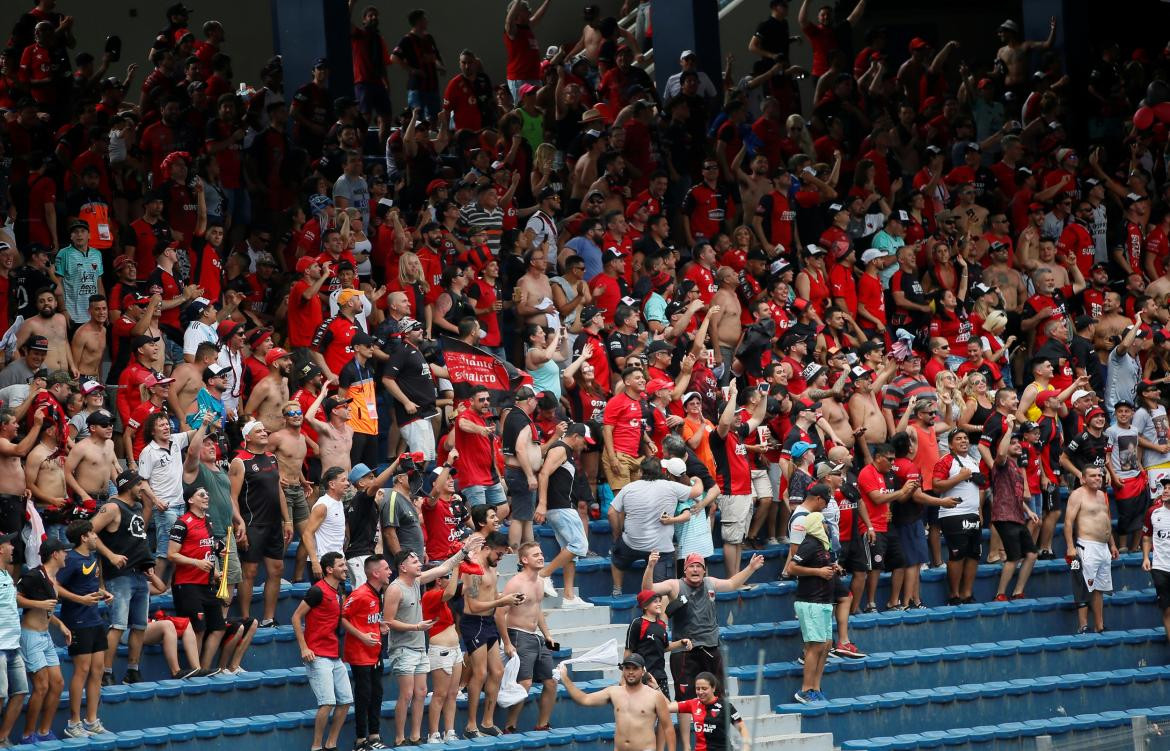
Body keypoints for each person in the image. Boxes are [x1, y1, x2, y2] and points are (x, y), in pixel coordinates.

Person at [642, 552, 766, 751]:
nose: (695, 569)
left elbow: (733, 584)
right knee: (684, 700)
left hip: (711, 647)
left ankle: (721, 740)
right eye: (692, 566)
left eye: (699, 566)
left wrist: (750, 568)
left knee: (719, 696)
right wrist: (650, 567)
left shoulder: (710, 583)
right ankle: (686, 746)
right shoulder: (675, 585)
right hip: (684, 650)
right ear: (685, 569)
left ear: (704, 569)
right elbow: (648, 590)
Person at [384, 540, 478, 745]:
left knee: (421, 692)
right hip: (402, 647)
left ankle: (416, 736)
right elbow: (388, 621)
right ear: (403, 567)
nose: (419, 563)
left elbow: (444, 567)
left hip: (419, 646)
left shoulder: (416, 582)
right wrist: (416, 627)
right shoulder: (395, 589)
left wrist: (463, 552)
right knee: (407, 694)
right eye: (415, 561)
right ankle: (400, 738)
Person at [291, 552, 362, 751]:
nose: (345, 568)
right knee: (327, 702)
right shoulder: (317, 591)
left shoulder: (339, 591)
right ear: (329, 569)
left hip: (333, 653)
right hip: (317, 654)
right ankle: (316, 746)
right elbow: (296, 618)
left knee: (346, 700)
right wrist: (304, 647)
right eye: (341, 565)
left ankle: (331, 745)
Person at [91, 470, 156, 686]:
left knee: (139, 626)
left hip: (139, 574)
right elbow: (89, 532)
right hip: (119, 576)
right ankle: (105, 673)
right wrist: (110, 555)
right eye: (140, 485)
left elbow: (136, 537)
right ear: (129, 486)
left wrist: (147, 564)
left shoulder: (136, 508)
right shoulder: (112, 507)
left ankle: (133, 670)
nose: (142, 489)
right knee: (118, 625)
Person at [609, 457, 703, 595]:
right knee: (662, 591)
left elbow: (611, 512)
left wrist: (617, 536)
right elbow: (698, 491)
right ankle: (660, 605)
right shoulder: (671, 486)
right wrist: (698, 480)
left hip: (631, 543)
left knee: (617, 558)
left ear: (641, 472)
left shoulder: (628, 488)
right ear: (661, 471)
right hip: (661, 549)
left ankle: (617, 590)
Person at [460, 531, 520, 737]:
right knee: (480, 673)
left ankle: (487, 721)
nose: (500, 558)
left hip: (488, 622)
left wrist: (508, 597)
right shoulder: (473, 569)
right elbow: (473, 606)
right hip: (473, 623)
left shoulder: (492, 568)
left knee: (497, 671)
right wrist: (501, 602)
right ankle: (471, 725)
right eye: (499, 554)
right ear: (487, 548)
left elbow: (493, 596)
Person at [56, 521, 113, 737]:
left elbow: (90, 585)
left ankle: (91, 720)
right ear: (83, 537)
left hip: (94, 619)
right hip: (77, 620)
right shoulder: (70, 560)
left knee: (97, 669)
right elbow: (55, 585)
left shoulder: (92, 558)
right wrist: (79, 599)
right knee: (82, 670)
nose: (95, 536)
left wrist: (103, 593)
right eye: (92, 533)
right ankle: (73, 723)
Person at [499, 541, 559, 733]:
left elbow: (537, 609)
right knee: (524, 683)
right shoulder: (516, 583)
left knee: (551, 681)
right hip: (518, 635)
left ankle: (542, 724)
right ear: (524, 560)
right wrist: (507, 642)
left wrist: (547, 635)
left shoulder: (540, 581)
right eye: (535, 555)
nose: (541, 557)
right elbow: (500, 613)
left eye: (541, 553)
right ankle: (510, 726)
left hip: (535, 637)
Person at [559, 653, 676, 751]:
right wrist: (565, 678)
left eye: (635, 668)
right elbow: (584, 699)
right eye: (627, 668)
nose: (630, 672)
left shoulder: (655, 696)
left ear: (642, 671)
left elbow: (668, 728)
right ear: (623, 670)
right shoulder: (613, 692)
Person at [166, 485, 226, 674]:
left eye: (207, 493)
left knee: (218, 627)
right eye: (201, 495)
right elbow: (171, 555)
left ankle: (205, 667)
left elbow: (205, 550)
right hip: (187, 584)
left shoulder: (208, 521)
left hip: (206, 584)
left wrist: (215, 573)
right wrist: (196, 563)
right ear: (190, 500)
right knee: (198, 628)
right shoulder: (181, 523)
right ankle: (196, 669)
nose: (206, 496)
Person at [535, 422, 594, 607]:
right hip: (559, 506)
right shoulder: (560, 449)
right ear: (575, 436)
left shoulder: (565, 451)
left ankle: (569, 596)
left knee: (570, 551)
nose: (584, 447)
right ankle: (543, 574)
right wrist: (542, 504)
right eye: (584, 441)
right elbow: (544, 474)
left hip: (563, 506)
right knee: (580, 545)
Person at [17, 538, 70, 744]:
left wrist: (60, 624)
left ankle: (44, 731)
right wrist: (38, 603)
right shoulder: (34, 574)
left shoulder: (53, 577)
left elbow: (47, 609)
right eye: (63, 552)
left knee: (57, 684)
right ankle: (27, 735)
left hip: (45, 635)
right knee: (41, 686)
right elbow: (16, 598)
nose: (66, 555)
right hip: (30, 635)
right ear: (55, 554)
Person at [341, 554, 390, 751]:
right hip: (360, 653)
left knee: (377, 693)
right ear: (376, 573)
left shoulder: (378, 593)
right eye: (386, 568)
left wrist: (380, 626)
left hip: (375, 652)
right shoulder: (360, 594)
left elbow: (368, 619)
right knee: (364, 695)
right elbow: (343, 618)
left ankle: (374, 735)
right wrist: (361, 636)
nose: (390, 571)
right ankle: (360, 740)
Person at [988, 421, 1040, 600]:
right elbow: (1001, 453)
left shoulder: (1017, 469)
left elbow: (1016, 495)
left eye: (1018, 442)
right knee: (1013, 557)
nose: (1017, 445)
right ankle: (1000, 594)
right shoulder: (1001, 463)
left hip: (1017, 515)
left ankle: (1018, 591)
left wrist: (1028, 510)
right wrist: (1009, 428)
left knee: (1032, 554)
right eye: (1013, 442)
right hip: (1004, 516)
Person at [1064, 466, 1119, 634]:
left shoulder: (1102, 495)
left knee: (1099, 588)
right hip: (1085, 546)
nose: (1098, 478)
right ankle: (1083, 625)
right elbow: (1068, 522)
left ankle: (1099, 625)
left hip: (1103, 547)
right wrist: (1070, 547)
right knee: (1082, 585)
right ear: (1083, 479)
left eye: (1099, 475)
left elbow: (1106, 520)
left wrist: (1113, 544)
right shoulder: (1077, 494)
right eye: (1093, 476)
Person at [667, 672, 749, 751]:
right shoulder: (693, 703)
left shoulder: (726, 706)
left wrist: (746, 747)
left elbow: (742, 728)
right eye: (697, 689)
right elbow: (667, 707)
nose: (700, 692)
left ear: (713, 688)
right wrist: (657, 688)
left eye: (704, 688)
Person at [0, 530, 28, 744]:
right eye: (9, 544)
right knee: (0, 696)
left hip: (13, 645)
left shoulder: (6, 575)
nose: (13, 548)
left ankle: (3, 738)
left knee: (20, 692)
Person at [302, 467, 350, 579]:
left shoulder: (338, 503)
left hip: (337, 562)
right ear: (332, 484)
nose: (347, 483)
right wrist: (314, 562)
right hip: (322, 563)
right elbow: (307, 534)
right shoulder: (323, 505)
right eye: (343, 480)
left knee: (339, 596)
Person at [1141, 481, 1170, 644]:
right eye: (1164, 488)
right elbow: (1146, 537)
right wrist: (1146, 557)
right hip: (1160, 567)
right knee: (1167, 610)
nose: (1165, 491)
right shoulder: (1153, 512)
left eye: (1169, 489)